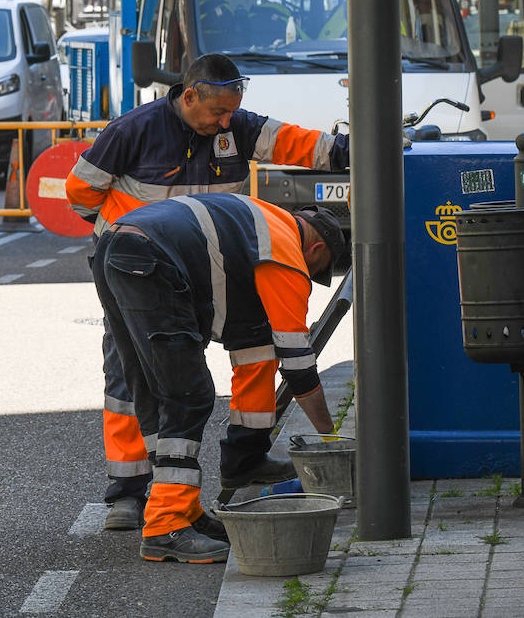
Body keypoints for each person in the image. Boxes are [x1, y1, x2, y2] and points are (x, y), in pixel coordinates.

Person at [64, 53, 350, 533]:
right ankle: (129, 492)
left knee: (240, 352)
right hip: (142, 266)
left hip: (203, 269)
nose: (224, 124)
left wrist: (362, 146)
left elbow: (306, 145)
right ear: (188, 95)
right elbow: (79, 193)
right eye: (216, 113)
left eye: (231, 114)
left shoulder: (235, 126)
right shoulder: (133, 130)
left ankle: (240, 458)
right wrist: (121, 230)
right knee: (131, 374)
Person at [95, 194, 345, 562]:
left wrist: (247, 454)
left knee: (150, 387)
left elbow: (253, 343)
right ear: (317, 247)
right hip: (150, 257)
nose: (309, 276)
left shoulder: (263, 218)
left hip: (116, 247)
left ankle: (186, 509)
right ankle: (166, 524)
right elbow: (297, 364)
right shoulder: (286, 252)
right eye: (317, 267)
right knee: (188, 395)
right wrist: (329, 439)